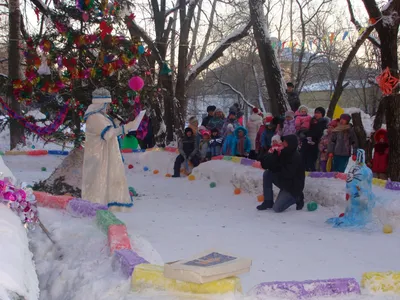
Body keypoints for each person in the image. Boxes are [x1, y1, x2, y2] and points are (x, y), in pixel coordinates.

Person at [82, 88, 138, 211]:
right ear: (101, 103)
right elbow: (108, 134)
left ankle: (104, 206)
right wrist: (126, 127)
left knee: (104, 181)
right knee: (98, 183)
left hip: (103, 155)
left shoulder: (100, 116)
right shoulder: (95, 117)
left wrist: (116, 124)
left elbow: (110, 132)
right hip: (98, 156)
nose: (108, 108)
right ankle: (95, 208)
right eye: (107, 104)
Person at [257, 135, 305, 212]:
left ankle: (298, 197)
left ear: (290, 144)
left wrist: (276, 166)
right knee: (268, 173)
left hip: (293, 187)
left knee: (277, 208)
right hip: (284, 182)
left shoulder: (296, 157)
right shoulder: (282, 152)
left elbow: (288, 174)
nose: (282, 143)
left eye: (285, 142)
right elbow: (265, 165)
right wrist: (273, 155)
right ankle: (268, 201)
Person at [301, 107, 328, 171]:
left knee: (313, 159)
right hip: (307, 142)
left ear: (322, 114)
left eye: (318, 113)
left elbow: (320, 133)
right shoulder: (311, 121)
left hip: (316, 144)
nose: (316, 114)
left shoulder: (324, 123)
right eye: (315, 113)